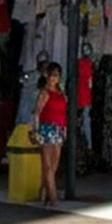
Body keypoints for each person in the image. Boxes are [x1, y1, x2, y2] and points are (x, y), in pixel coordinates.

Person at [32, 62, 68, 207]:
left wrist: (64, 130)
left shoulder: (61, 95)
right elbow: (37, 112)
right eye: (51, 75)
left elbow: (64, 114)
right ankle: (53, 198)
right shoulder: (44, 93)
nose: (53, 79)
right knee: (47, 165)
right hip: (46, 128)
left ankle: (45, 191)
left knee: (54, 164)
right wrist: (35, 130)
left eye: (56, 76)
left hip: (58, 129)